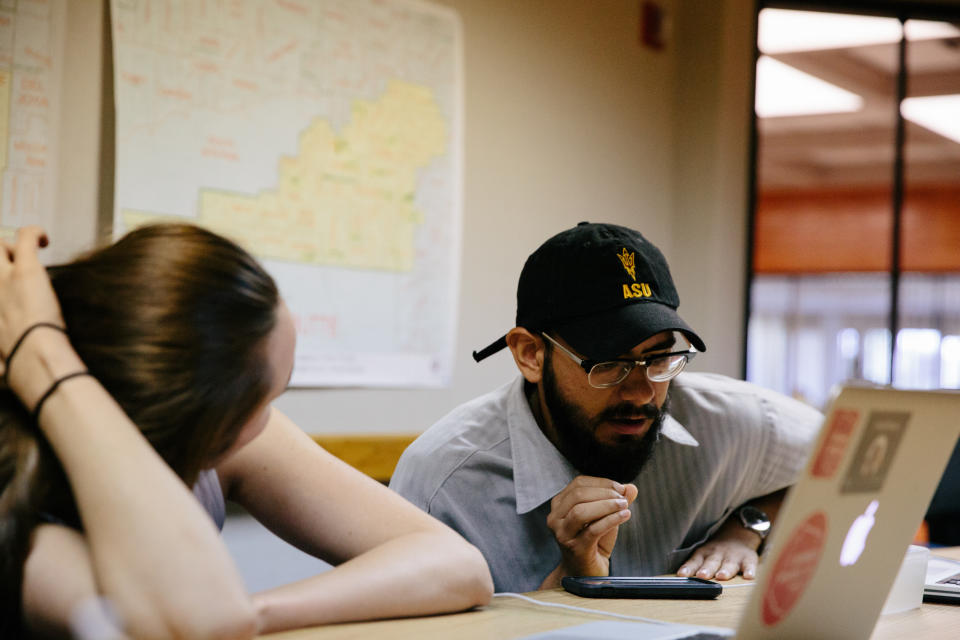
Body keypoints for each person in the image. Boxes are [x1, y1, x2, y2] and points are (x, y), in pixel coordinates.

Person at [0, 224, 492, 639]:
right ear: (203, 425)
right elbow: (192, 623)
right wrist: (44, 361)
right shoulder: (20, 490)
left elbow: (457, 564)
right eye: (264, 400)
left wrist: (254, 612)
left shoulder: (234, 437)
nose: (268, 421)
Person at [390, 222, 822, 593]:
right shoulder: (443, 485)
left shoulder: (728, 419)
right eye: (608, 363)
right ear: (530, 354)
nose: (639, 393)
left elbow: (842, 461)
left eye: (657, 358)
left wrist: (746, 531)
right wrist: (572, 578)